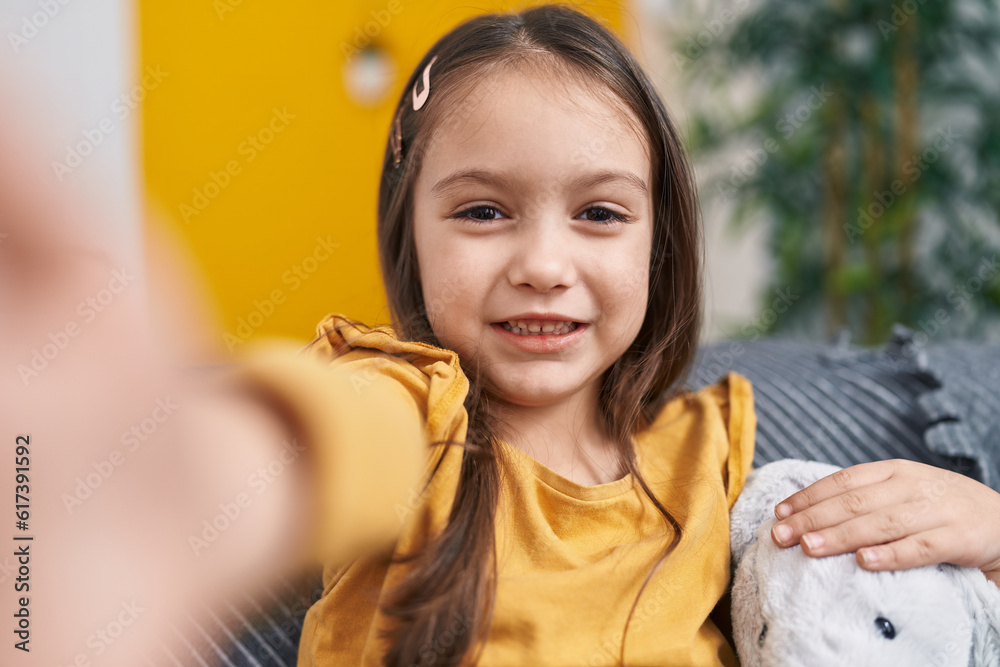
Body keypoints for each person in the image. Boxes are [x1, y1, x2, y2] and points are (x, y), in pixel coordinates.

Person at [2, 4, 998, 667]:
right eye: (483, 213)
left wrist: (985, 539)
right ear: (411, 233)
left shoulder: (715, 450)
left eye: (599, 215)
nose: (542, 263)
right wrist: (170, 480)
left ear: (660, 242)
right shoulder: (409, 406)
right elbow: (302, 446)